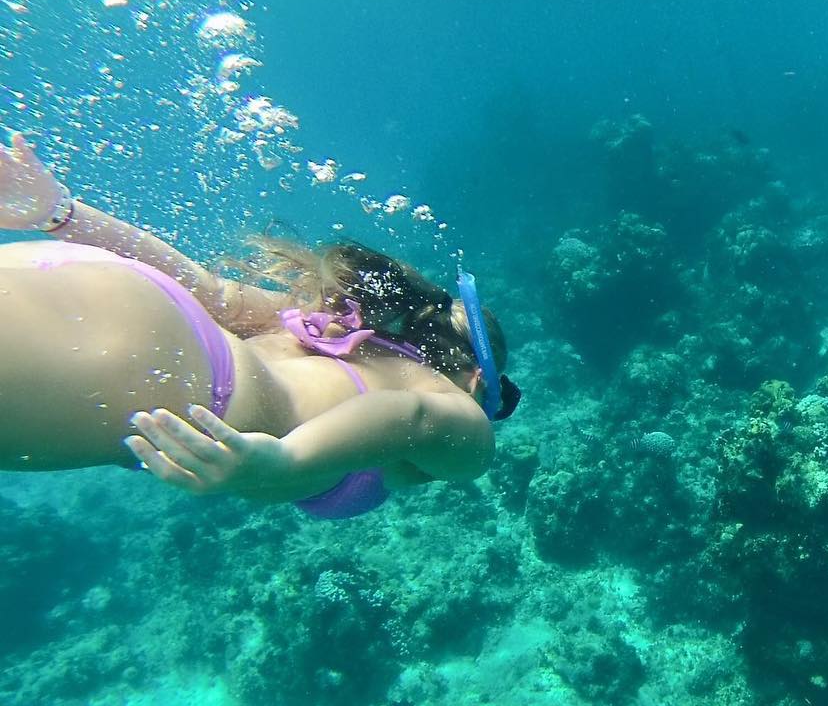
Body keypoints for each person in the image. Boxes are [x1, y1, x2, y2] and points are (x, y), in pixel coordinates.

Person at [0, 131, 520, 518]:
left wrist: (62, 215)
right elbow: (412, 417)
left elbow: (211, 294)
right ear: (479, 380)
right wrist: (285, 462)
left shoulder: (339, 330)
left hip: (119, 290)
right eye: (496, 405)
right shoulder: (465, 426)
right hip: (154, 368)